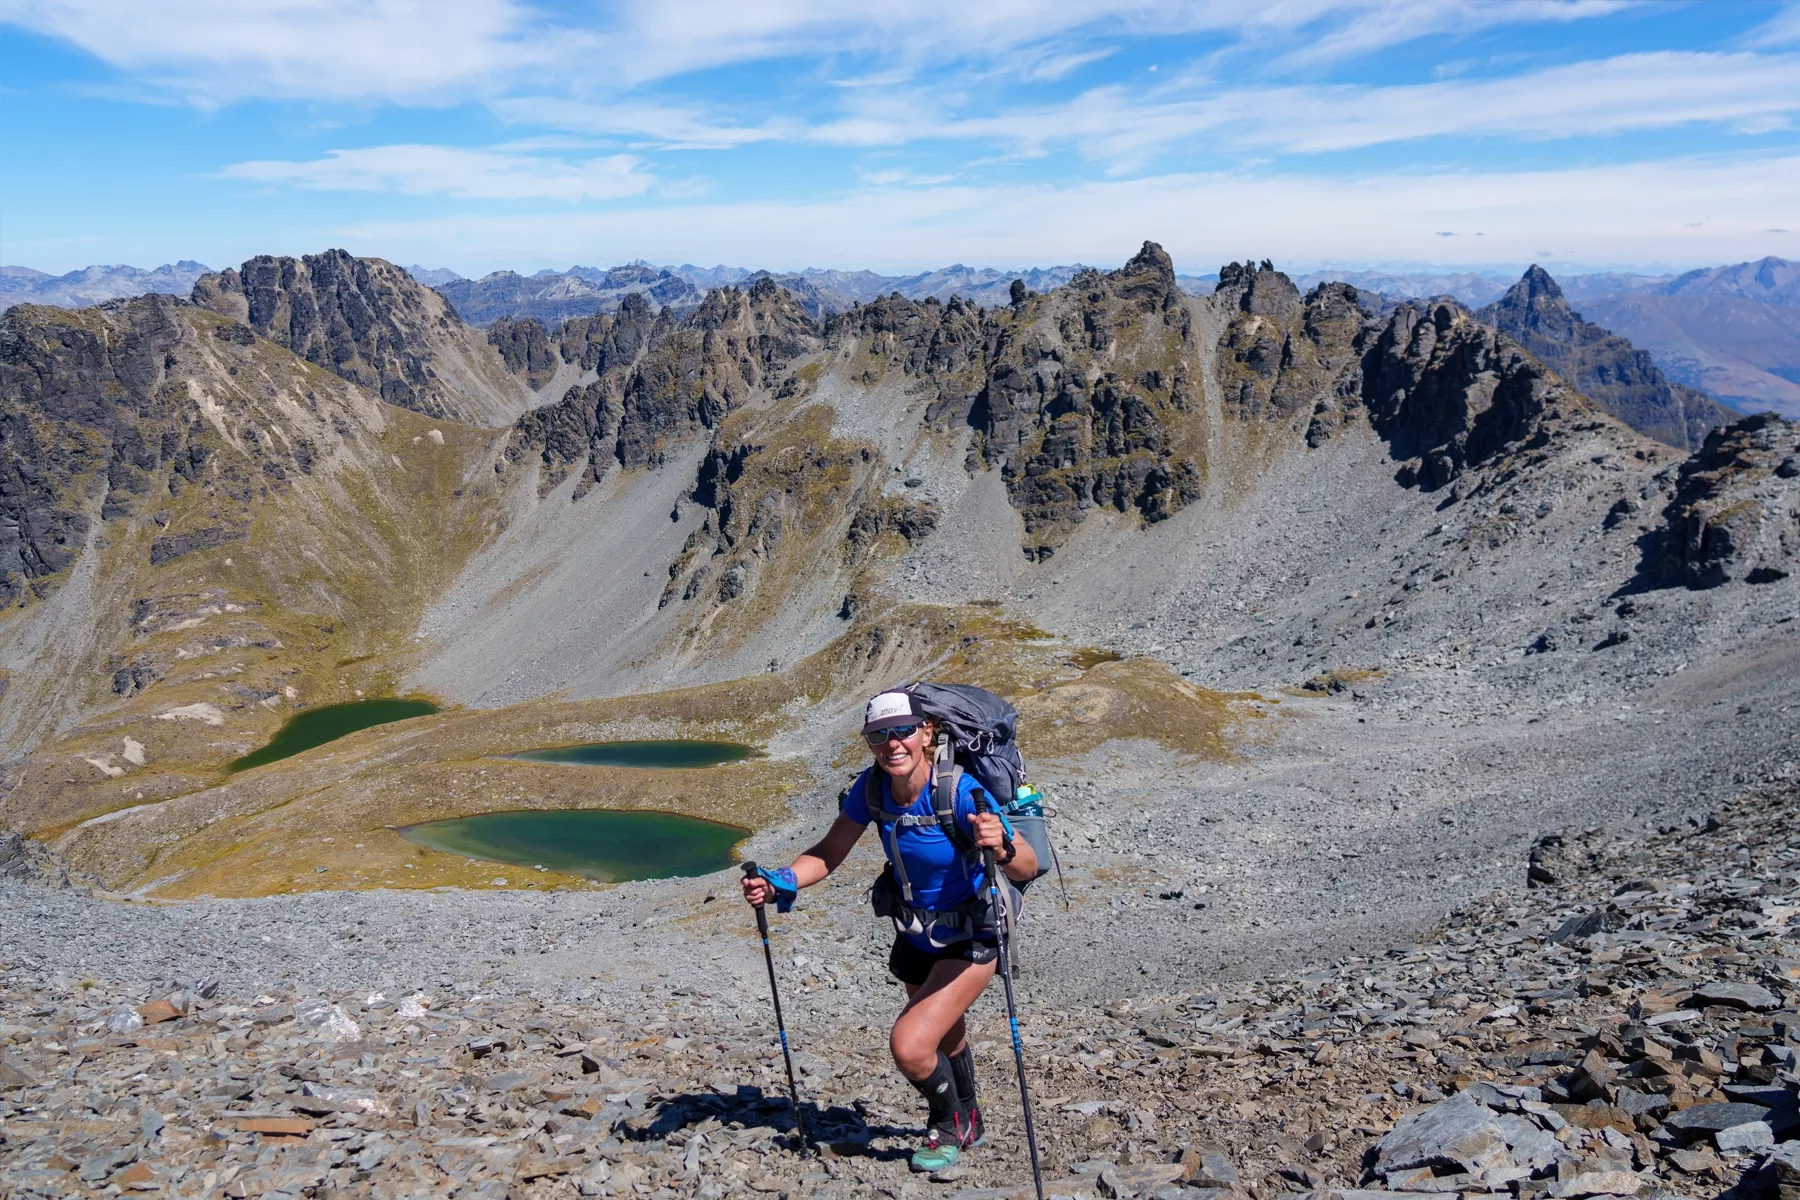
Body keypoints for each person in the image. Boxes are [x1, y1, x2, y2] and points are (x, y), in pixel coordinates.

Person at [742, 689, 1039, 1172]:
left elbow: (1026, 866)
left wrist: (1001, 846)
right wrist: (782, 882)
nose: (892, 744)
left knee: (911, 1044)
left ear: (926, 732)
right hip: (916, 932)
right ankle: (971, 1119)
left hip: (973, 932)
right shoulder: (873, 787)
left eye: (902, 731)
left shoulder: (959, 791)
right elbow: (829, 852)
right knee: (943, 1033)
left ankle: (946, 1124)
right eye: (879, 735)